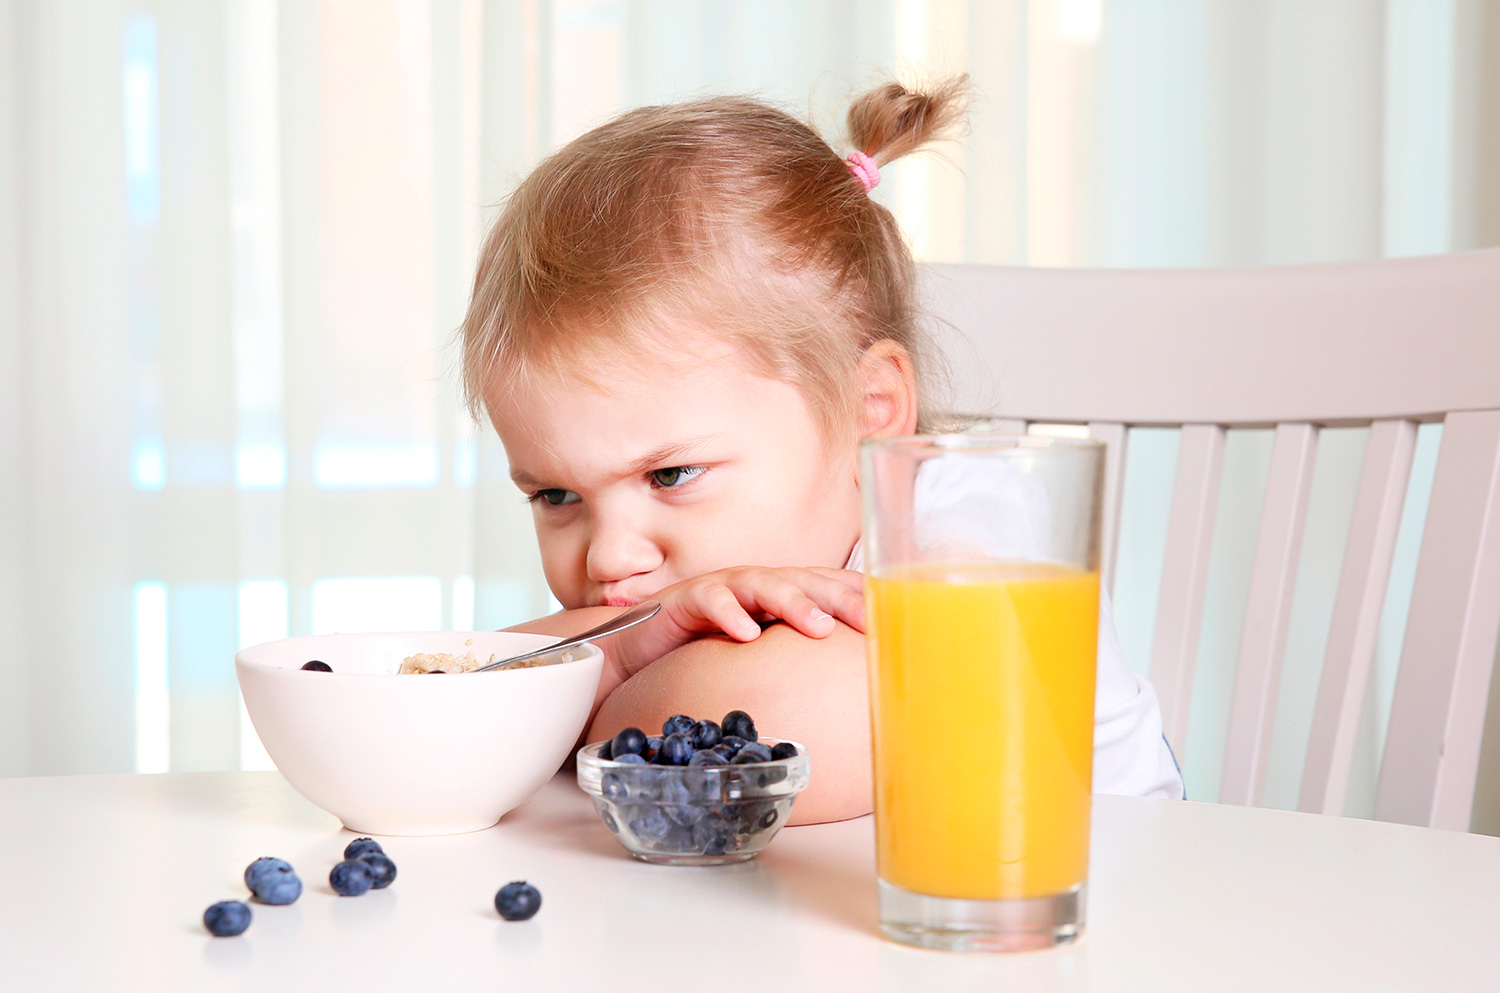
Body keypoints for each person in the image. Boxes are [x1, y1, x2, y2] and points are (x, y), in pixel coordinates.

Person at [459, 77, 1184, 824]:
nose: (608, 559)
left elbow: (813, 723)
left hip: (1108, 913)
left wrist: (573, 700)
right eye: (556, 496)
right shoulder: (661, 597)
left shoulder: (967, 522)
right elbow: (430, 700)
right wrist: (619, 652)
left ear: (870, 415)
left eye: (670, 475)